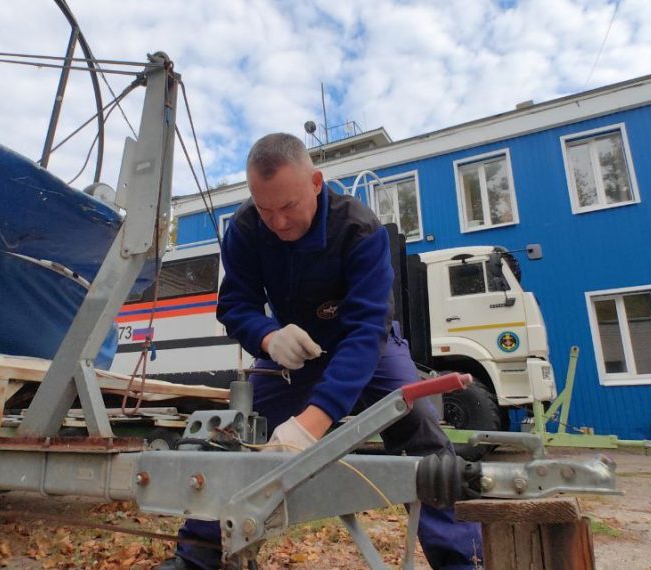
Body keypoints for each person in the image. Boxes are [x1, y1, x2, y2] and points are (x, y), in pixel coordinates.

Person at [159, 133, 483, 570]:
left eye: (288, 207)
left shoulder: (360, 230)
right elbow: (235, 305)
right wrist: (269, 338)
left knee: (419, 428)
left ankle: (461, 559)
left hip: (367, 345)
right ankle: (198, 556)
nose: (278, 222)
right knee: (234, 436)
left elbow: (367, 330)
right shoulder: (247, 228)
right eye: (265, 208)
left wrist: (312, 425)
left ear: (316, 183)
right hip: (294, 351)